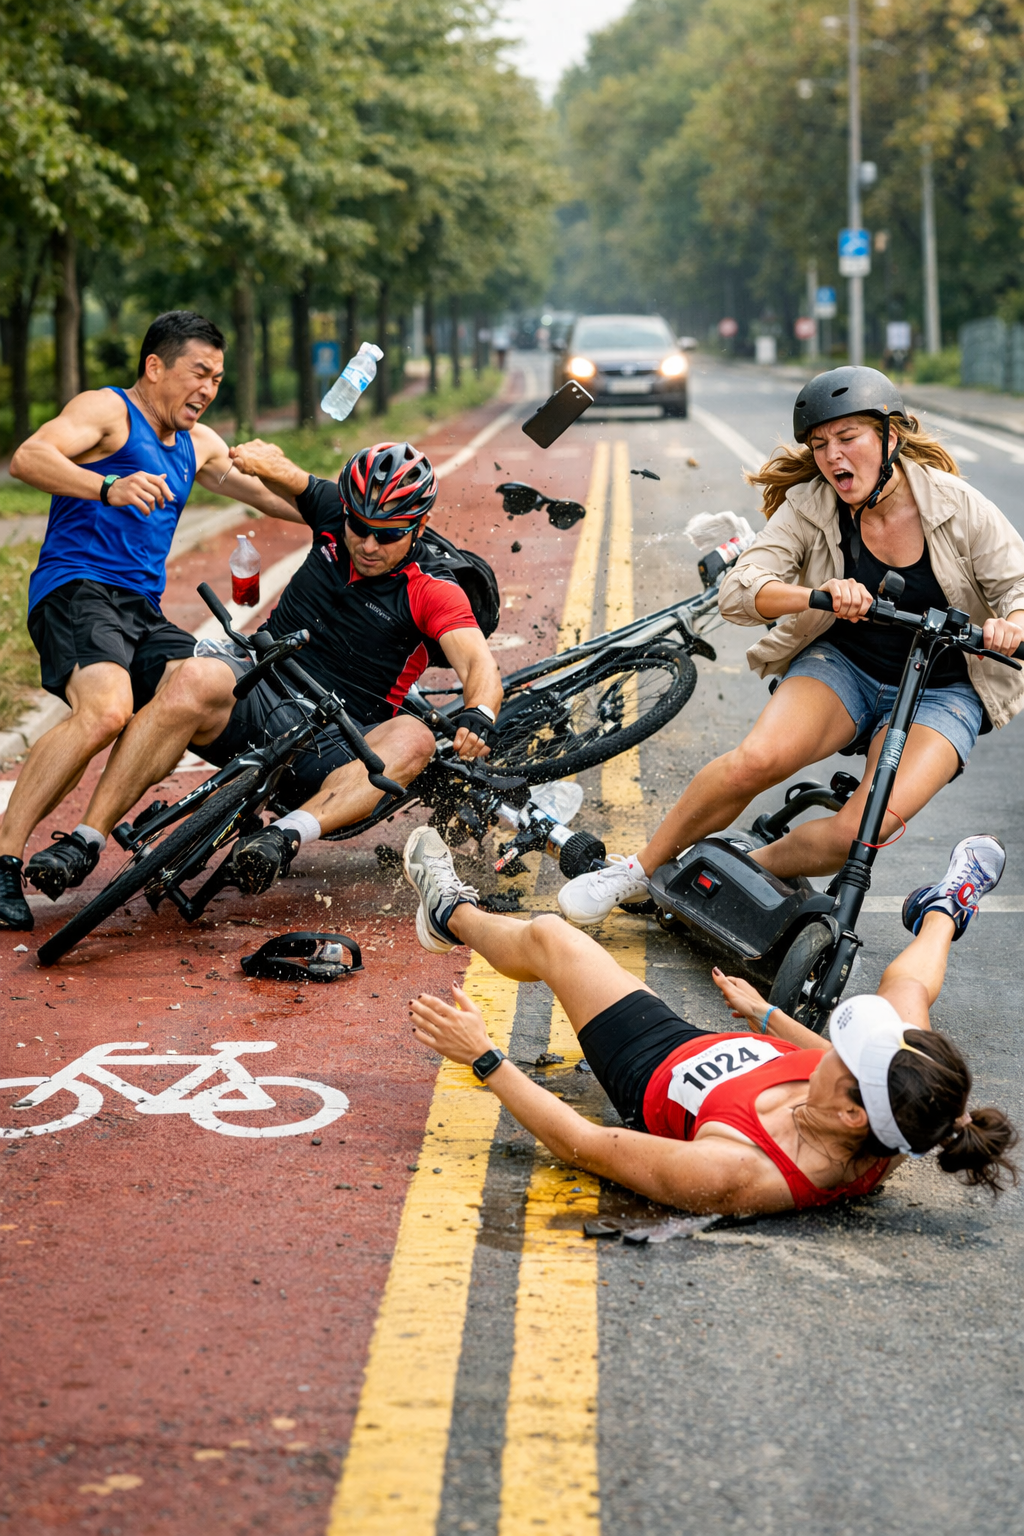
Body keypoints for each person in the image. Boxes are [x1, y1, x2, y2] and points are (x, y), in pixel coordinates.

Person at [557, 366, 1024, 925]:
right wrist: (814, 595)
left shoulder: (958, 506)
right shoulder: (811, 504)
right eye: (820, 444)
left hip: (943, 691)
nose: (832, 456)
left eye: (848, 438)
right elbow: (739, 590)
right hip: (845, 665)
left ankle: (746, 865)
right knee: (754, 761)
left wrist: (1012, 622)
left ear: (890, 437)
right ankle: (637, 870)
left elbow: (1018, 587)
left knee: (860, 830)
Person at [403, 825, 1017, 1214]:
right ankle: (946, 907)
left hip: (651, 1062)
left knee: (549, 937)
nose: (832, 1047)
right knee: (906, 992)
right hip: (727, 1060)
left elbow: (583, 1145)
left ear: (854, 1114)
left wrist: (485, 1057)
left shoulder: (739, 1173)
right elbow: (827, 1060)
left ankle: (449, 912)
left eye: (847, 1055)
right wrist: (769, 1013)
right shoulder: (908, 1114)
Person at [45, 438, 503, 901]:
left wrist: (479, 711)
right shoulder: (331, 511)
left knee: (416, 738)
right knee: (194, 675)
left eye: (387, 535)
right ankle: (86, 840)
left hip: (338, 739)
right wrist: (252, 455)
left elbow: (477, 661)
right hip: (263, 688)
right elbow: (286, 472)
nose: (367, 544)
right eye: (359, 527)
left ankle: (282, 837)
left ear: (419, 526)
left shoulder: (434, 590)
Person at [0, 311, 301, 930]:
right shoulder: (108, 411)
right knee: (106, 713)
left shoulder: (200, 445)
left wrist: (350, 517)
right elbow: (28, 458)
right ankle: (3, 860)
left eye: (218, 378)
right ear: (155, 367)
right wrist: (107, 488)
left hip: (141, 610)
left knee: (206, 685)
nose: (209, 389)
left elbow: (270, 498)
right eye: (199, 373)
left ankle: (86, 838)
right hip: (77, 589)